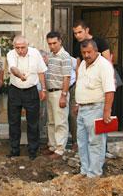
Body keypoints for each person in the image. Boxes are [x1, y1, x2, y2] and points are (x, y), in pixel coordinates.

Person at [74, 39, 115, 177]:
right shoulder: (82, 64)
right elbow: (80, 85)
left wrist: (107, 111)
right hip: (82, 109)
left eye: (89, 52)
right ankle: (85, 170)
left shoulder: (104, 65)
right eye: (83, 52)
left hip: (96, 108)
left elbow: (109, 90)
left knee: (96, 143)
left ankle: (94, 174)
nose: (86, 55)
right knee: (82, 142)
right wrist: (77, 104)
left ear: (96, 50)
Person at [6, 36, 47, 160]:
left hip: (31, 91)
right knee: (13, 122)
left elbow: (41, 72)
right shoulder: (10, 54)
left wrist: (43, 89)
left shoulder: (35, 54)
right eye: (17, 48)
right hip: (15, 90)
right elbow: (13, 68)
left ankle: (33, 151)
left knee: (33, 123)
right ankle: (14, 150)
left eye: (22, 47)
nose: (20, 50)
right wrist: (20, 76)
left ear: (27, 45)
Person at [42, 31, 71, 160]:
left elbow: (67, 77)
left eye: (54, 43)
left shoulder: (65, 56)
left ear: (60, 41)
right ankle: (52, 146)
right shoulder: (50, 55)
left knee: (61, 122)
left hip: (60, 92)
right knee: (51, 121)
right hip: (50, 92)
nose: (52, 46)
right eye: (49, 44)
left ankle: (60, 150)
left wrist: (64, 95)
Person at [68, 56, 78, 152]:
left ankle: (76, 142)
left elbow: (78, 68)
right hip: (60, 89)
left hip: (72, 87)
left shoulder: (69, 58)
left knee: (73, 114)